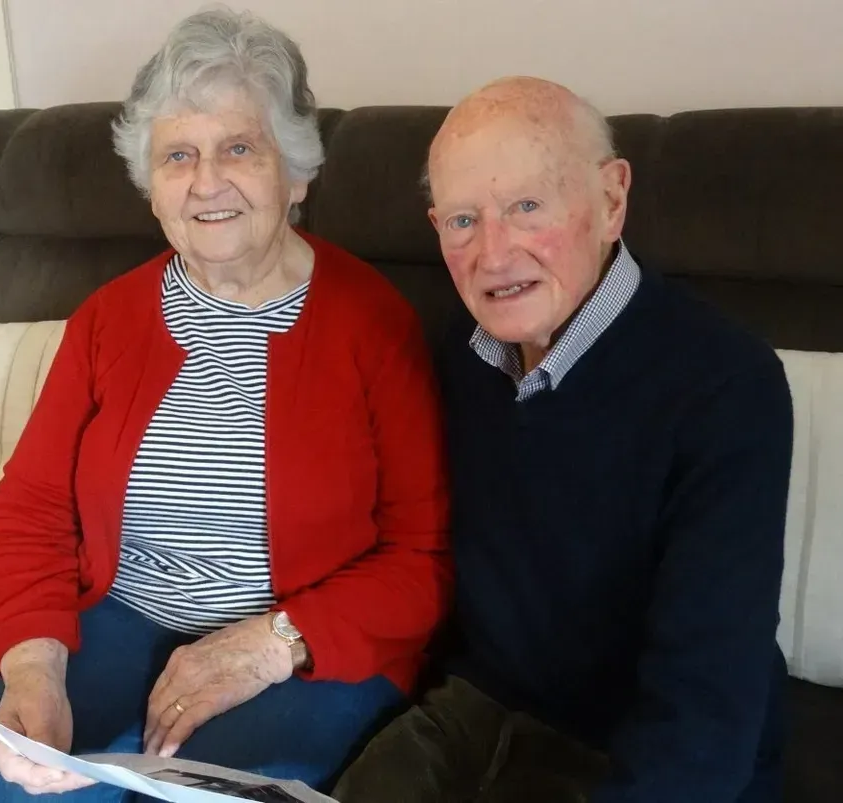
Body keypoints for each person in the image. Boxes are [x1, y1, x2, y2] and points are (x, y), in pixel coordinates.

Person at [0, 8, 451, 802]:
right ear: (152, 188)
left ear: (296, 174)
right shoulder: (109, 319)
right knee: (18, 788)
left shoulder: (375, 324)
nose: (207, 180)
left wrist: (271, 642)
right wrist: (34, 665)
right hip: (117, 613)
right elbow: (30, 509)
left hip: (301, 644)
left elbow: (420, 557)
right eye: (178, 154)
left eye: (239, 148)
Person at [334, 76, 794, 803]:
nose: (493, 254)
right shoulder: (461, 352)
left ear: (611, 201)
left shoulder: (728, 385)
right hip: (475, 711)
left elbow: (705, 708)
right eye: (463, 220)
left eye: (527, 207)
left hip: (626, 748)